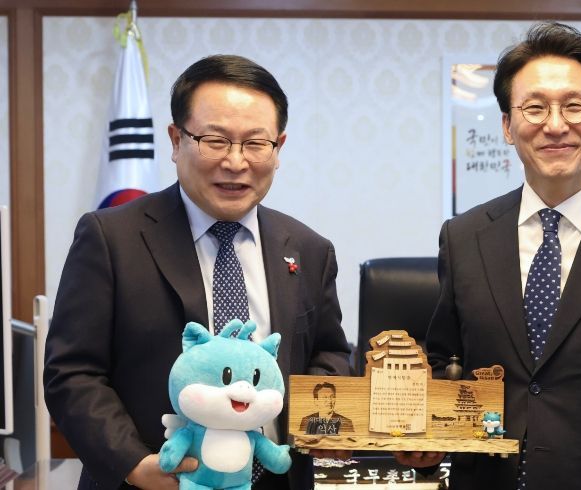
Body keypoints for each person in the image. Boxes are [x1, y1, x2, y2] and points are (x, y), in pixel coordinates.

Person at [397, 22, 581, 489]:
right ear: (507, 125)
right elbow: (446, 364)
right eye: (535, 108)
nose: (555, 125)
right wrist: (424, 440)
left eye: (574, 106)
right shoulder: (463, 238)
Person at [44, 55, 351, 490]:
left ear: (278, 147)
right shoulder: (111, 238)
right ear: (176, 140)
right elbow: (72, 373)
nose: (236, 162)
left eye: (255, 143)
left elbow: (329, 355)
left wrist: (319, 425)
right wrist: (134, 464)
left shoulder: (309, 249)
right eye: (215, 140)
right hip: (152, 481)